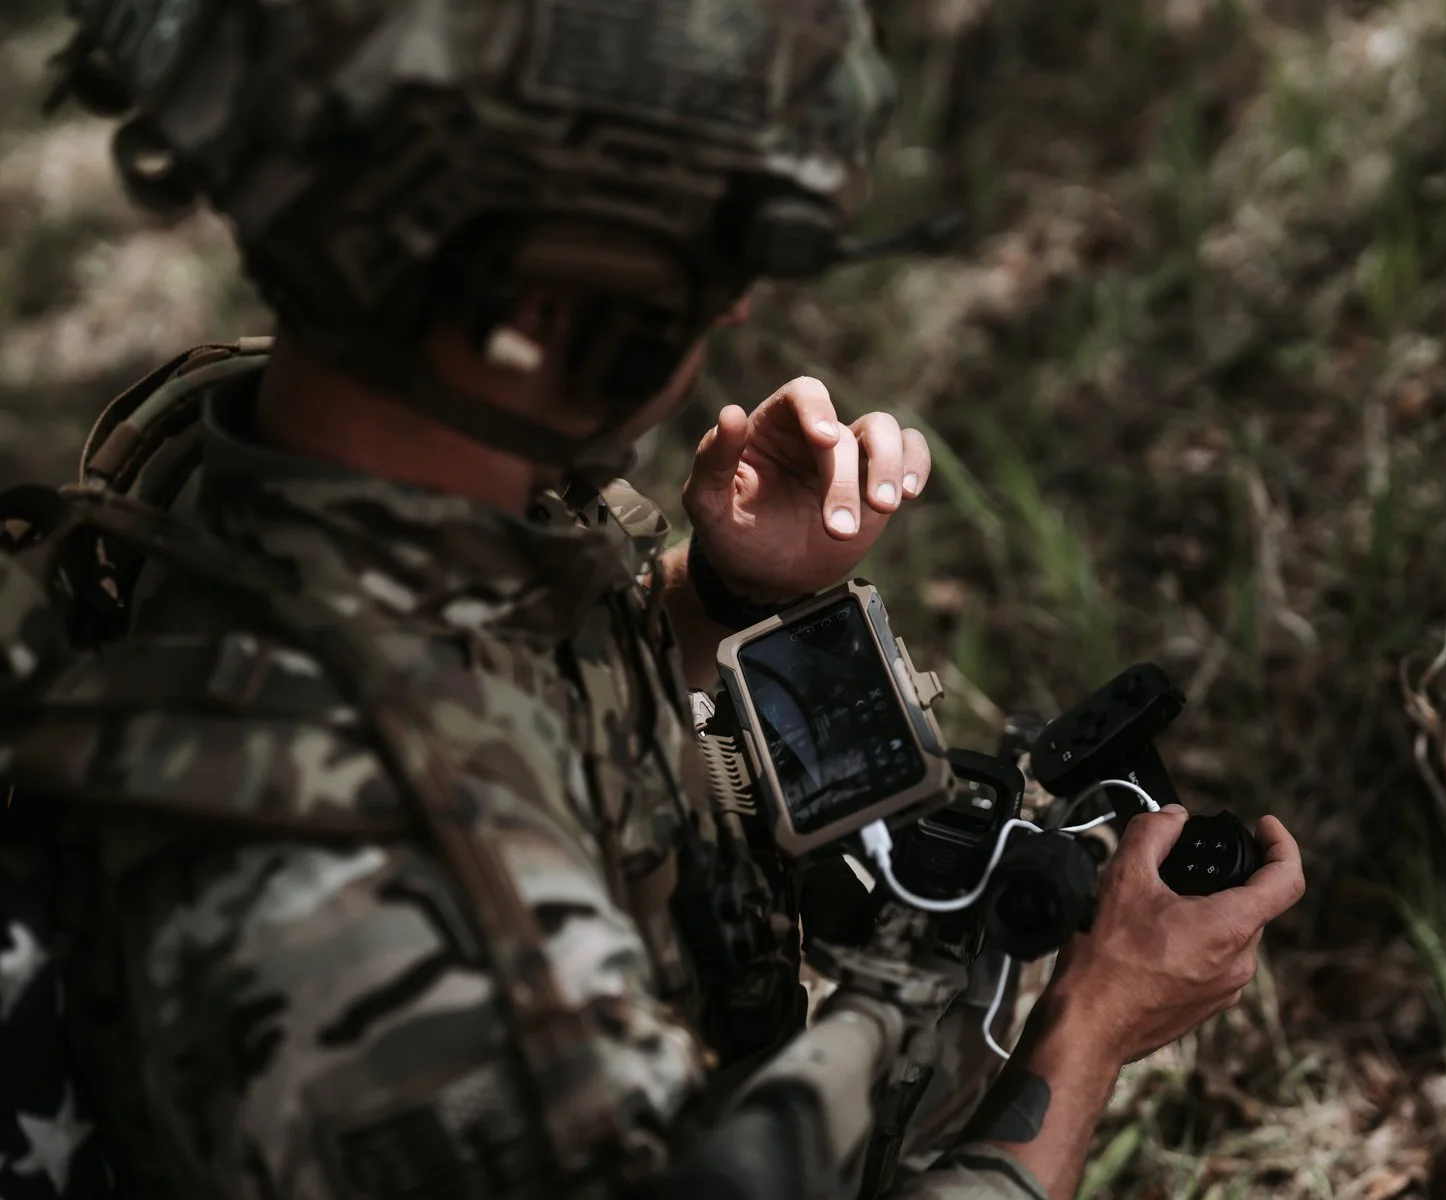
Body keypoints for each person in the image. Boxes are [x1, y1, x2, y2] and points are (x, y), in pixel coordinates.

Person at [0, 3, 1306, 1199]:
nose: (735, 301)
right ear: (560, 306)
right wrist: (1090, 1028)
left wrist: (714, 597)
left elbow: (488, 675)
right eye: (709, 253)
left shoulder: (274, 448)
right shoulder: (409, 950)